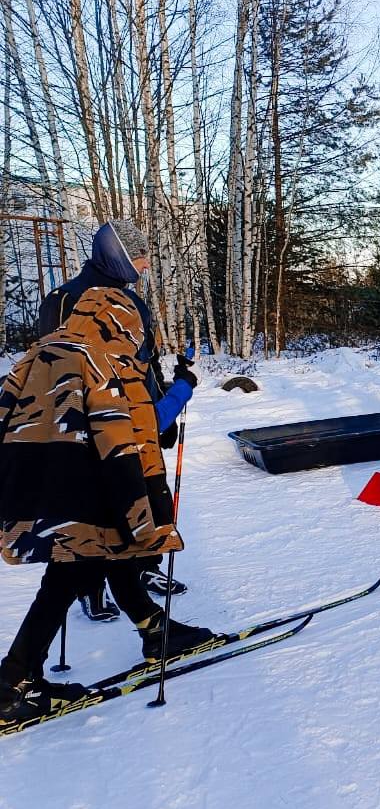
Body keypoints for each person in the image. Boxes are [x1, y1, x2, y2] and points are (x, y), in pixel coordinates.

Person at [0, 287, 214, 724]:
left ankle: (155, 630)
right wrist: (141, 513)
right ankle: (13, 680)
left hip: (38, 481)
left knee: (104, 554)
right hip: (90, 483)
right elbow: (128, 435)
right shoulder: (104, 361)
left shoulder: (38, 353)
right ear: (123, 324)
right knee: (71, 572)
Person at [39, 220, 197, 622]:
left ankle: (143, 573)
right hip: (96, 426)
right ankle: (95, 591)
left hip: (126, 420)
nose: (145, 266)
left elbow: (146, 369)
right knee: (101, 511)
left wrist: (160, 414)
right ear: (119, 255)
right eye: (140, 257)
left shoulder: (126, 300)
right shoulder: (66, 301)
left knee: (137, 502)